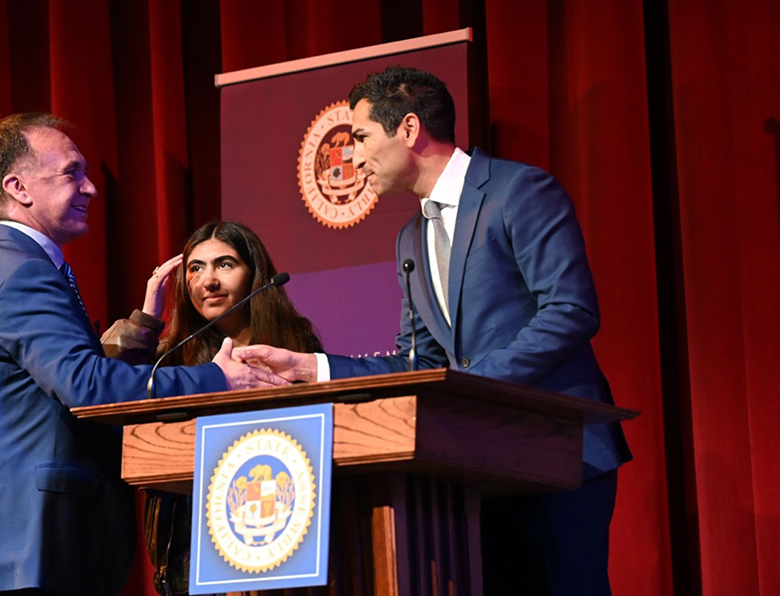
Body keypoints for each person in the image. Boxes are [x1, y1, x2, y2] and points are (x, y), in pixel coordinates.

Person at [233, 66, 632, 595]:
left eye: (359, 137)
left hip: (559, 453)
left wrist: (471, 389)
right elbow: (417, 360)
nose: (350, 157)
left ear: (409, 128)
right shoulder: (411, 238)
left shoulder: (520, 191)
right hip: (480, 466)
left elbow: (570, 311)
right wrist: (314, 368)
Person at [0, 114, 287, 596]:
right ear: (18, 187)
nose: (90, 187)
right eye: (72, 173)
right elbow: (88, 386)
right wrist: (218, 378)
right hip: (38, 552)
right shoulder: (25, 274)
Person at [100, 220, 322, 595]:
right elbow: (114, 396)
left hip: (271, 532)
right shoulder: (171, 352)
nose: (209, 281)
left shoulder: (291, 345)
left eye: (225, 264)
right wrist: (146, 320)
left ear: (254, 273)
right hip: (186, 545)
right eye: (196, 268)